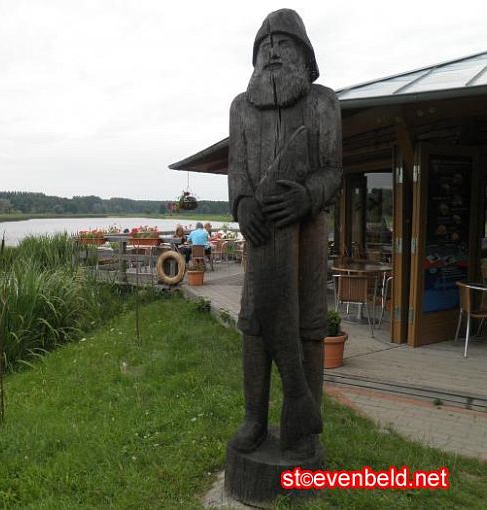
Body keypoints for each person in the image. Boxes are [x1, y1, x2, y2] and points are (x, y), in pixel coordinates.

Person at [227, 9, 342, 459]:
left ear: (305, 55)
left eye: (284, 42)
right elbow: (237, 169)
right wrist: (242, 204)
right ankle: (255, 416)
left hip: (308, 234)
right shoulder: (240, 106)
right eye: (265, 45)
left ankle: (303, 425)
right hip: (260, 238)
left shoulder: (322, 102)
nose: (273, 51)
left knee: (310, 324)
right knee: (255, 323)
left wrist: (307, 196)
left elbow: (333, 170)